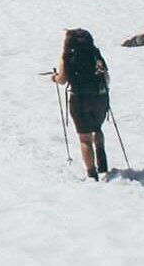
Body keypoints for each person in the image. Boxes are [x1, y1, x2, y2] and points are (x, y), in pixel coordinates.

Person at [53, 28, 113, 180]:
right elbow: (105, 73)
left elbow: (62, 79)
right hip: (100, 97)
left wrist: (54, 78)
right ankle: (102, 161)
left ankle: (92, 174)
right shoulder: (95, 53)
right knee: (97, 128)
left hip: (79, 100)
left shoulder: (67, 56)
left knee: (85, 139)